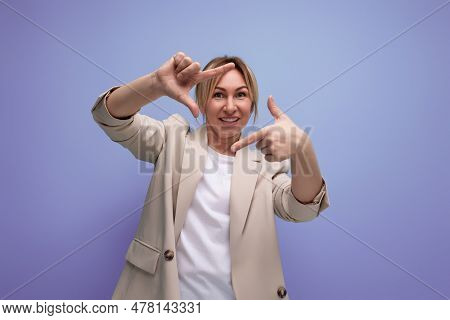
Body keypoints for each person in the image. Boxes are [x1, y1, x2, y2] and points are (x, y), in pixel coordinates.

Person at [90, 52, 330, 300]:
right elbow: (109, 116)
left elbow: (302, 210)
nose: (229, 106)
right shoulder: (173, 140)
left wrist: (303, 147)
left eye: (240, 94)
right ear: (203, 103)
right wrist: (155, 84)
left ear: (252, 105)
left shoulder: (265, 166)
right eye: (218, 95)